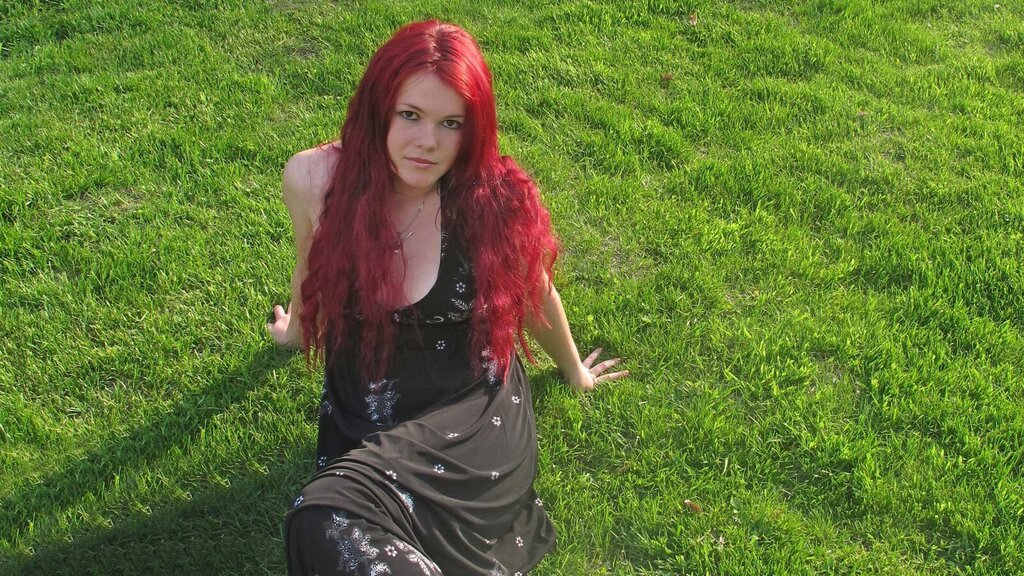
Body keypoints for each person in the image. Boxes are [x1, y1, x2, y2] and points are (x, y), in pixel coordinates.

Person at [266, 20, 628, 575]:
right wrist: (295, 332)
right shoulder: (316, 179)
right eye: (409, 115)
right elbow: (313, 264)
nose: (427, 142)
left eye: (450, 123)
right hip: (367, 409)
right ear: (377, 109)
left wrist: (574, 371)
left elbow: (534, 293)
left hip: (471, 414)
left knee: (326, 516)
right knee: (323, 521)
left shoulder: (491, 200)